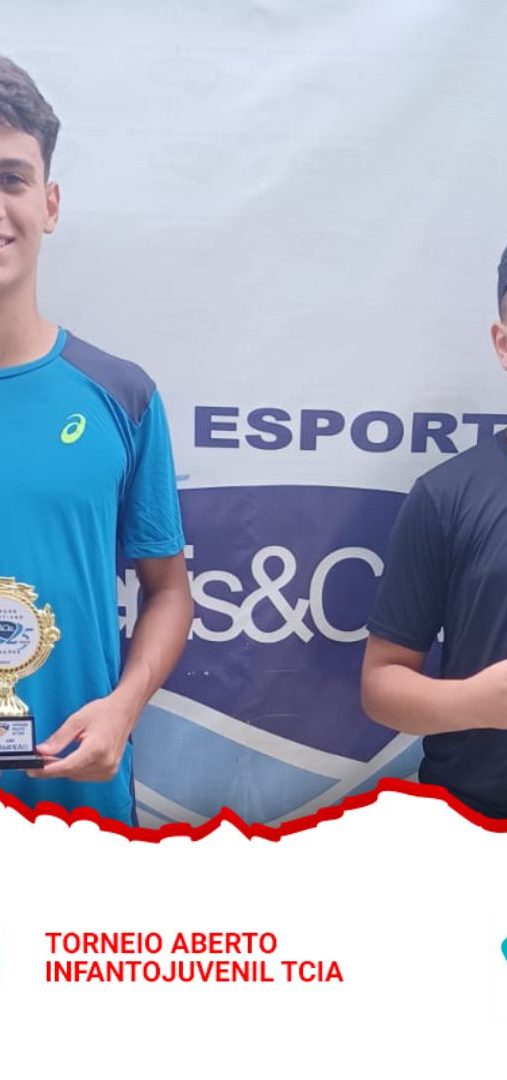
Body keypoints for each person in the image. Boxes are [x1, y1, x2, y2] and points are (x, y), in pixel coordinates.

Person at [0, 56, 193, 825]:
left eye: (11, 179)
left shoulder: (120, 395)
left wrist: (123, 707)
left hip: (77, 809)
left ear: (48, 204)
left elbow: (168, 590)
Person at [361, 201, 507, 819]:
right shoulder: (447, 495)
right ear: (503, 343)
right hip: (480, 823)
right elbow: (381, 686)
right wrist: (477, 703)